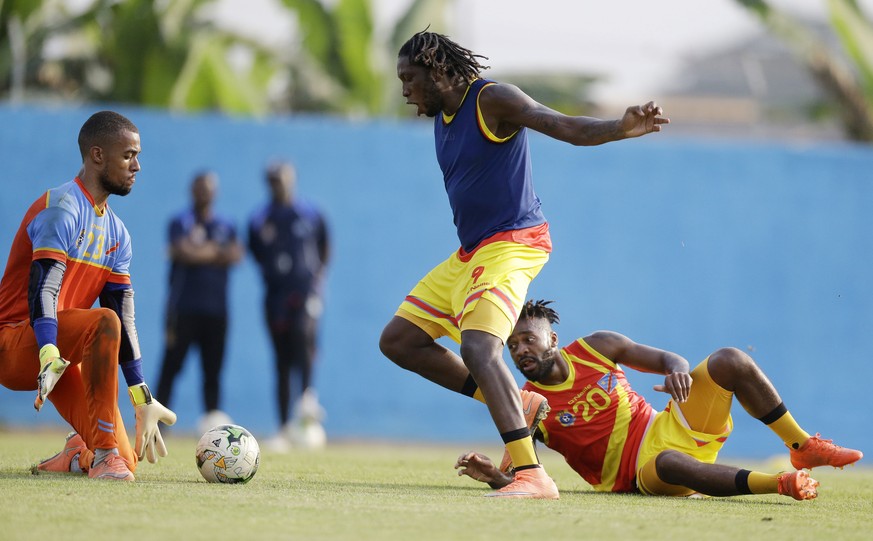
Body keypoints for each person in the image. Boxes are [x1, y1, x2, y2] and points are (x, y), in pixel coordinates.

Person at [378, 30, 669, 499]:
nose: (405, 90)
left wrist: (620, 127)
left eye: (409, 79)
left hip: (513, 241)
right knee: (399, 341)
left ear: (436, 68)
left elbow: (563, 126)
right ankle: (524, 401)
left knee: (479, 347)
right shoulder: (443, 117)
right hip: (472, 251)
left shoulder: (491, 99)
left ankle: (533, 476)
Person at [454, 300, 864, 500]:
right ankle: (780, 484)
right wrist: (493, 475)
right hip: (639, 475)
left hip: (666, 426)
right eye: (511, 345)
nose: (520, 349)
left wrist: (678, 372)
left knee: (729, 360)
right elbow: (527, 480)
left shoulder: (597, 347)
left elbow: (669, 359)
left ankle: (801, 446)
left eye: (528, 339)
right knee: (667, 463)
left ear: (553, 340)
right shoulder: (525, 403)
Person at [0, 110, 177, 481]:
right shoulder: (61, 209)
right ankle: (102, 455)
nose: (138, 166)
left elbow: (123, 316)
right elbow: (43, 287)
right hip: (16, 344)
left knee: (125, 464)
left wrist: (141, 396)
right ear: (98, 155)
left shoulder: (118, 235)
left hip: (61, 357)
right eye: (129, 155)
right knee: (102, 322)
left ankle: (80, 451)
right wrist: (48, 350)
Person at [248, 161, 330, 450]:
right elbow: (256, 253)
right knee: (281, 360)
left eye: (282, 179)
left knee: (303, 336)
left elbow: (324, 247)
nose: (278, 185)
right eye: (273, 181)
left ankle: (307, 399)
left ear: (292, 180)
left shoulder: (310, 213)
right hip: (275, 296)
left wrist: (316, 280)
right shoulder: (260, 219)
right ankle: (283, 428)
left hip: (305, 291)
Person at [155, 171, 242, 435]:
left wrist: (202, 252)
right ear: (192, 191)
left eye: (209, 188)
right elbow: (183, 252)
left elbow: (237, 254)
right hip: (183, 310)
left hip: (216, 312)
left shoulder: (227, 223)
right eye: (199, 188)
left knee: (212, 372)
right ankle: (156, 424)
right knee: (171, 368)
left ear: (215, 192)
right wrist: (217, 251)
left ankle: (213, 429)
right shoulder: (180, 221)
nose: (204, 193)